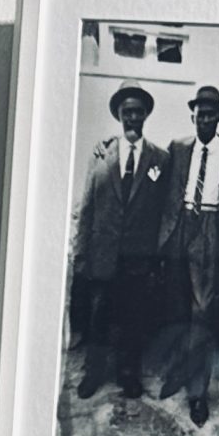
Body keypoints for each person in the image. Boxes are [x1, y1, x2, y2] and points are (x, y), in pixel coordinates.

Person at [157, 83, 219, 427]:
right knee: (177, 308)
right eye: (200, 114)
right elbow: (156, 172)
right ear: (193, 115)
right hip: (179, 228)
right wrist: (109, 146)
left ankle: (198, 394)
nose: (205, 120)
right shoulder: (178, 147)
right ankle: (178, 372)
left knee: (202, 313)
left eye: (211, 114)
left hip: (212, 232)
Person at [70, 83, 171, 409]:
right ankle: (93, 372)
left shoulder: (160, 159)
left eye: (138, 111)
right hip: (103, 253)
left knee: (133, 319)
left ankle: (129, 373)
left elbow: (165, 210)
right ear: (119, 115)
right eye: (127, 111)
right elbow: (88, 205)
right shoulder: (101, 154)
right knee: (99, 316)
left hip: (139, 257)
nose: (132, 117)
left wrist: (158, 253)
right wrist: (81, 250)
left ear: (145, 116)